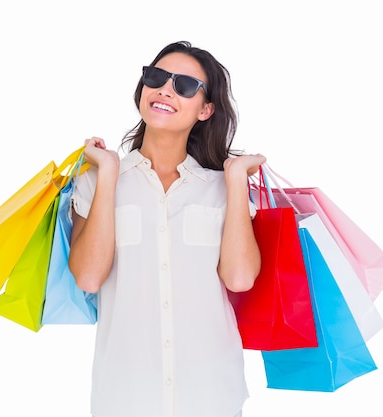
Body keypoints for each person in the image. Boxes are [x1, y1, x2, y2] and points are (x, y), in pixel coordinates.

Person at [68, 40, 266, 417]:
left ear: (206, 109)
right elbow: (89, 278)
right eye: (157, 77)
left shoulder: (222, 188)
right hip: (124, 397)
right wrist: (109, 171)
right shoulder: (96, 181)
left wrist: (236, 177)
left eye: (185, 85)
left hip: (211, 396)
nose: (165, 89)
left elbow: (239, 279)